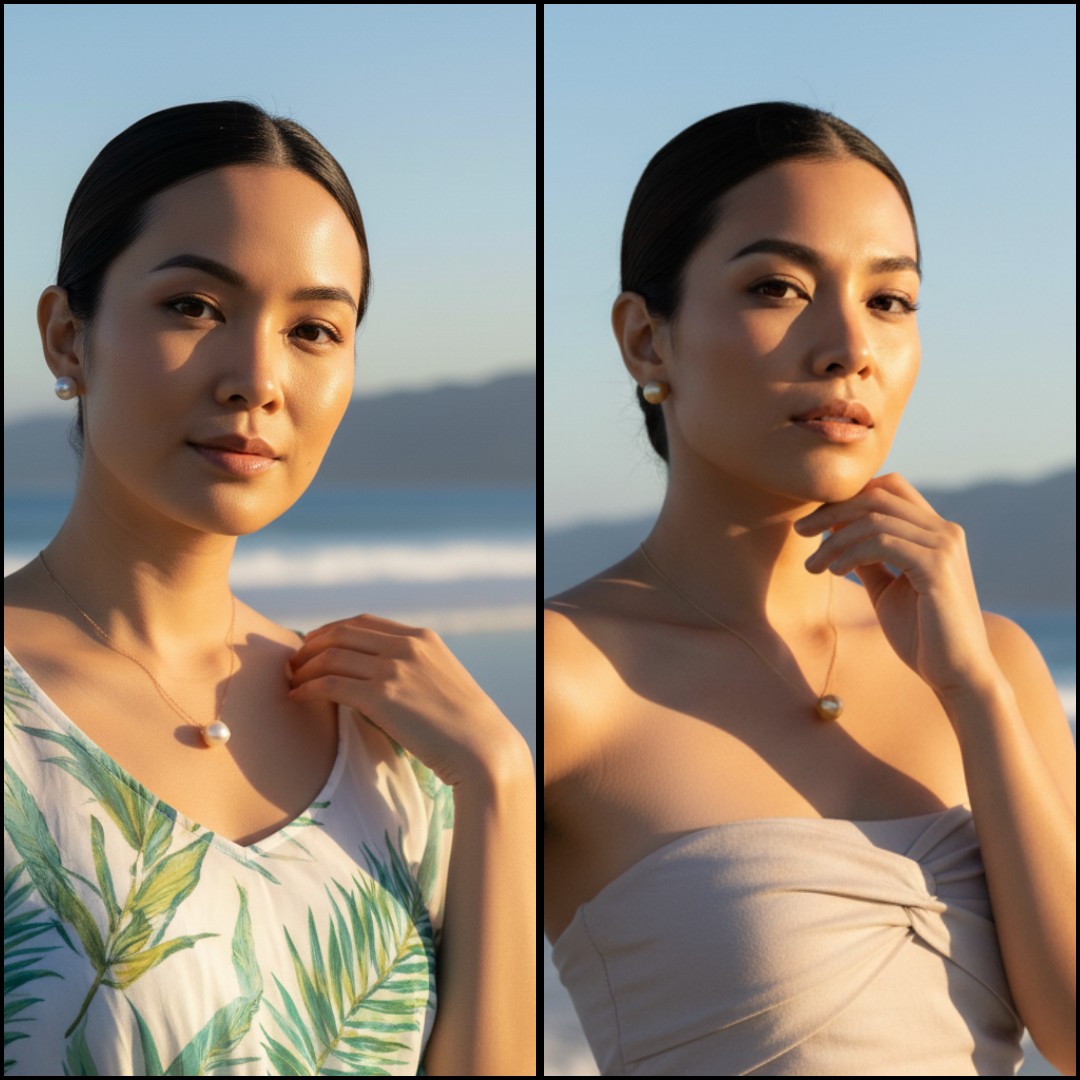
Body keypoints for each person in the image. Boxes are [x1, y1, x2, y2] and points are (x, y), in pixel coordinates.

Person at [544, 102, 1075, 1076]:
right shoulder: (568, 680)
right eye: (779, 287)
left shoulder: (994, 664)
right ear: (645, 342)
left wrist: (972, 694)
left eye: (890, 301)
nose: (848, 347)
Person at [5, 100, 534, 1076]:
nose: (258, 376)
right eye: (193, 307)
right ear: (67, 338)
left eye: (315, 329)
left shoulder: (392, 751)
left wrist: (498, 784)